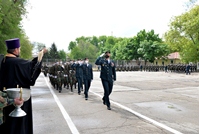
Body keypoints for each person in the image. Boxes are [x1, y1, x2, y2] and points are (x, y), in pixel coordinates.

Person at [0, 38, 47, 134]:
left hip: (4, 101)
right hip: (18, 100)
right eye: (19, 48)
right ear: (16, 49)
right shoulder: (17, 62)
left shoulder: (3, 61)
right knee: (19, 126)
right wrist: (40, 54)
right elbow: (31, 71)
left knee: (7, 125)